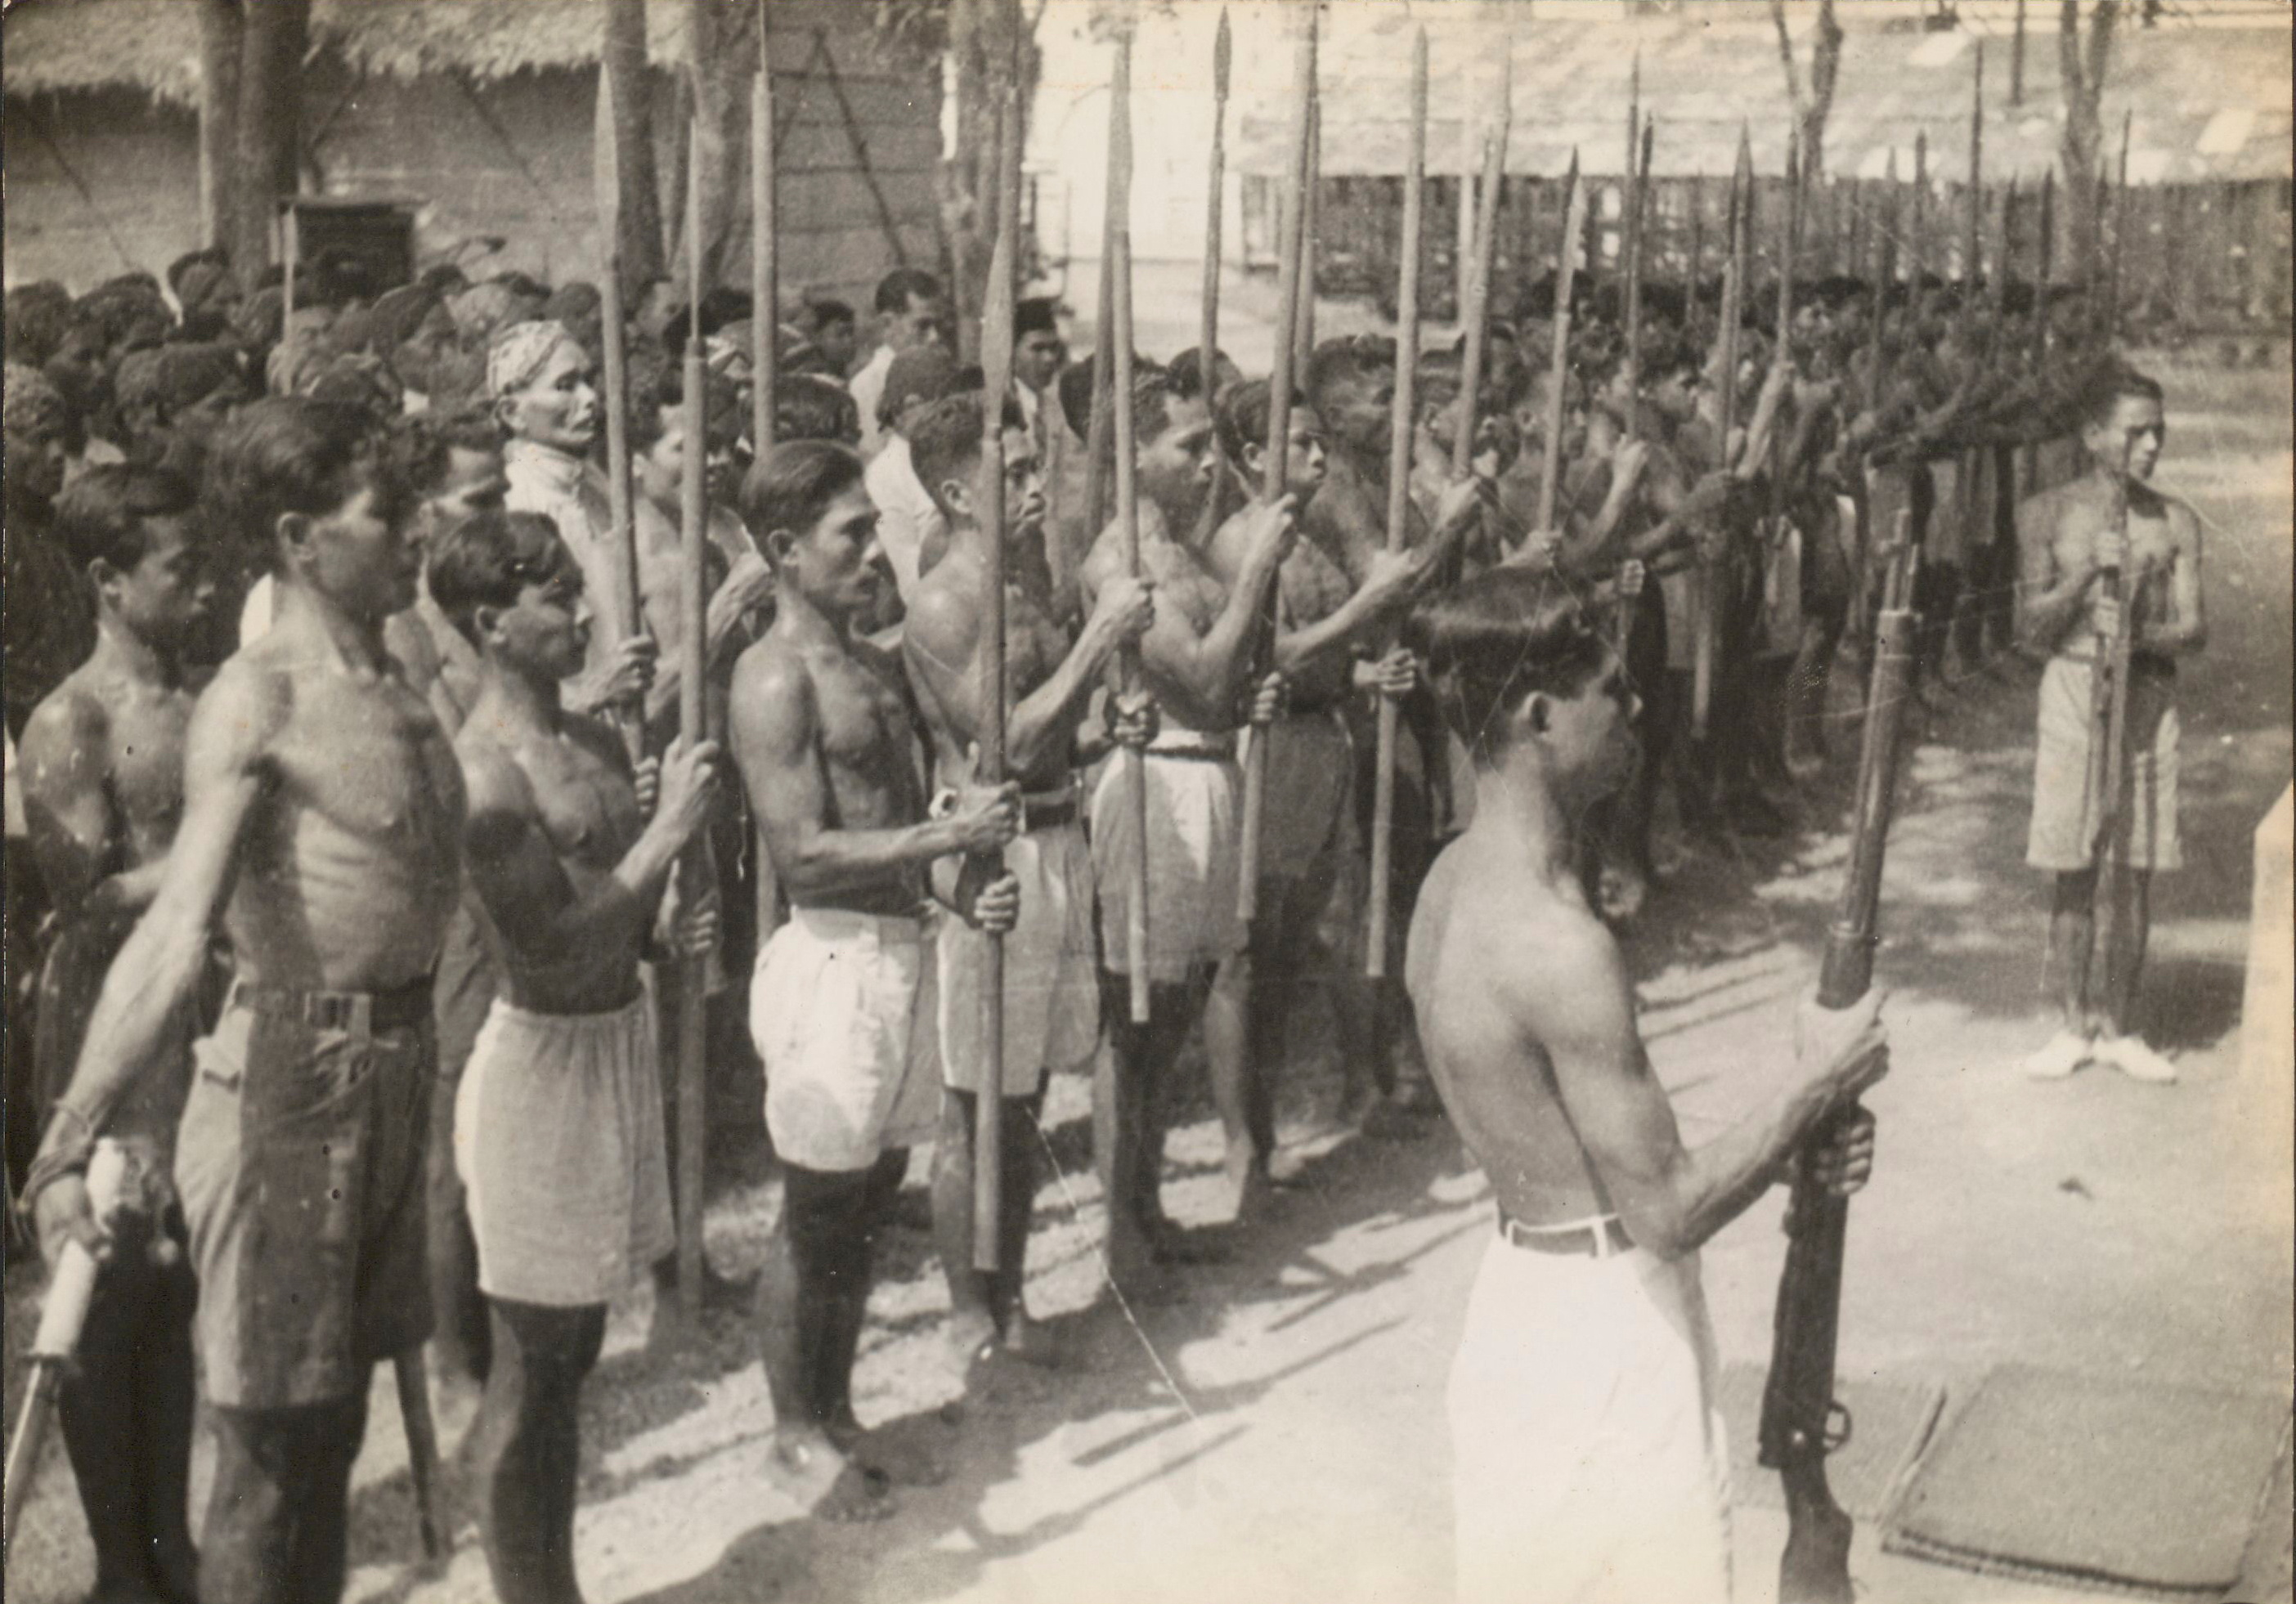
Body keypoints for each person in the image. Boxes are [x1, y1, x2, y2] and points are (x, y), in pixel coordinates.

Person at [24, 397, 464, 1604]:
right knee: (271, 1448)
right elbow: (171, 931)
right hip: (293, 1096)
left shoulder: (406, 677)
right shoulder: (258, 697)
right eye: (387, 515)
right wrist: (65, 1141)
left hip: (396, 1076)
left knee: (334, 1430)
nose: (416, 532)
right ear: (300, 538)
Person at [1400, 567, 1887, 1604]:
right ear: (1538, 717)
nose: (1635, 708)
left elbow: (1568, 1131)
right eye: (1612, 689)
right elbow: (1667, 1208)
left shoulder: (1446, 887)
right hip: (1609, 1338)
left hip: (1518, 1304)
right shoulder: (1559, 944)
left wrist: (1796, 1120)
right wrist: (1817, 1081)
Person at [428, 509, 721, 1603]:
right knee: (533, 1362)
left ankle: (554, 1583)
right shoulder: (486, 776)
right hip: (540, 1071)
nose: (582, 606)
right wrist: (664, 838)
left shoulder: (594, 741)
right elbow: (550, 948)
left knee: (576, 1351)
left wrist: (659, 917)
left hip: (615, 1044)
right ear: (493, 623)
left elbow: (615, 913)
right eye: (554, 594)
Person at [729, 439, 1020, 1518]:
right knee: (813, 1209)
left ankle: (839, 1408)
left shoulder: (875, 659)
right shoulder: (774, 677)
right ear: (783, 550)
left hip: (901, 949)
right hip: (833, 961)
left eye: (870, 524)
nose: (871, 550)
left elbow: (900, 816)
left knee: (868, 1197)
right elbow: (802, 851)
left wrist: (956, 884)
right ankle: (791, 1432)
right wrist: (938, 842)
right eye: (848, 533)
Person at [899, 393, 1156, 1373]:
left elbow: (1053, 740)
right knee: (976, 1094)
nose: (1040, 486)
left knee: (1030, 1088)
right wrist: (1096, 641)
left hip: (1060, 840)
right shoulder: (945, 600)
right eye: (1018, 473)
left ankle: (1008, 1295)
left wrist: (1103, 734)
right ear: (961, 492)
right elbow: (998, 746)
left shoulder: (1020, 580)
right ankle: (972, 1311)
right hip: (988, 856)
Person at [17, 464, 219, 1604]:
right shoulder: (72, 718)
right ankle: (118, 1564)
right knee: (109, 1281)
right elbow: (84, 894)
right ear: (107, 579)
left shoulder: (202, 698)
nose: (199, 589)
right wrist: (217, 862)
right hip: (108, 1022)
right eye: (178, 570)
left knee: (178, 1276)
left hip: (198, 1010)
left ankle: (169, 1544)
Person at [1078, 363, 1292, 1277]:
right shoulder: (1119, 558)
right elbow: (1197, 673)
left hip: (1209, 774)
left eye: (1213, 443)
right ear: (1136, 453)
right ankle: (1121, 1231)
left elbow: (1224, 682)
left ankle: (1147, 1205)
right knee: (1138, 1022)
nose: (1211, 463)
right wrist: (1255, 579)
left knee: (1175, 1018)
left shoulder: (1181, 543)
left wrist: (1257, 686)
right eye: (1189, 446)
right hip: (1156, 787)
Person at [1208, 379, 1449, 1149]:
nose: (1319, 454)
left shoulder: (1310, 532)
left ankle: (1356, 1087)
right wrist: (1357, 615)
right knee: (1252, 951)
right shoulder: (1242, 543)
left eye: (1320, 440)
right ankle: (1245, 1139)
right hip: (1267, 752)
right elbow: (1263, 656)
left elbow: (1325, 649)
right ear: (1252, 455)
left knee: (1329, 927)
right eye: (1300, 442)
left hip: (1325, 739)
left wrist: (1361, 673)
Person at [2014, 369, 2202, 1084]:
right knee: (2072, 861)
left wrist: (2139, 632)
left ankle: (2121, 1027)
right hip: (2070, 686)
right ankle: (2072, 1026)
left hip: (2148, 699)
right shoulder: (2045, 513)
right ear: (2094, 436)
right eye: (2135, 431)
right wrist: (2089, 578)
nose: (2151, 444)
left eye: (2159, 430)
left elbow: (2194, 627)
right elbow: (2028, 626)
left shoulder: (2174, 519)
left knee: (2136, 866)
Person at [491, 319, 658, 723]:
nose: (589, 398)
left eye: (588, 380)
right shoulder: (516, 503)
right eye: (565, 386)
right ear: (513, 412)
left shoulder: (594, 482)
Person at [862, 345, 963, 610]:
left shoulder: (953, 453)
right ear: (909, 406)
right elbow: (908, 583)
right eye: (944, 404)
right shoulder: (886, 475)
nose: (956, 414)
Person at [851, 268, 953, 460]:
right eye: (922, 326)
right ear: (887, 323)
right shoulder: (869, 384)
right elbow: (874, 456)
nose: (934, 337)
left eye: (939, 326)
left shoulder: (942, 371)